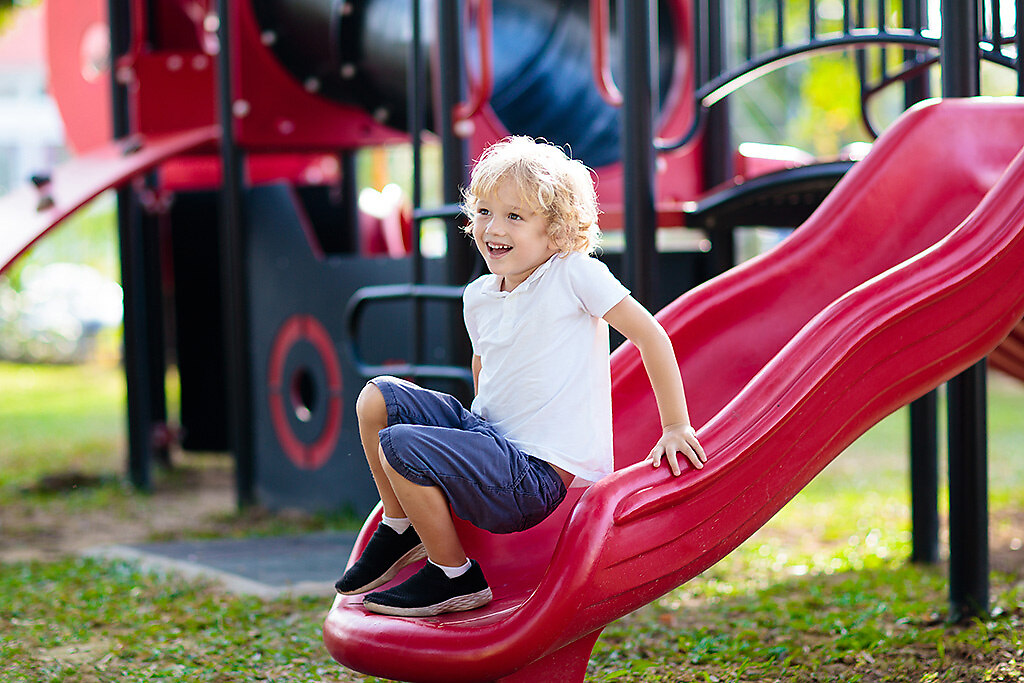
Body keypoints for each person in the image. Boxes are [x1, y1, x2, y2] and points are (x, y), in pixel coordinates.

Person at [335, 136, 706, 617]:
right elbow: (483, 366)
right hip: (493, 442)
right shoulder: (479, 295)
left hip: (533, 477)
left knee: (401, 445)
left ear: (555, 232)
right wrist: (463, 447)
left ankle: (455, 577)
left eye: (515, 216)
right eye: (485, 211)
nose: (494, 226)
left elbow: (650, 335)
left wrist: (676, 426)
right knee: (376, 400)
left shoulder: (573, 274)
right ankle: (401, 525)